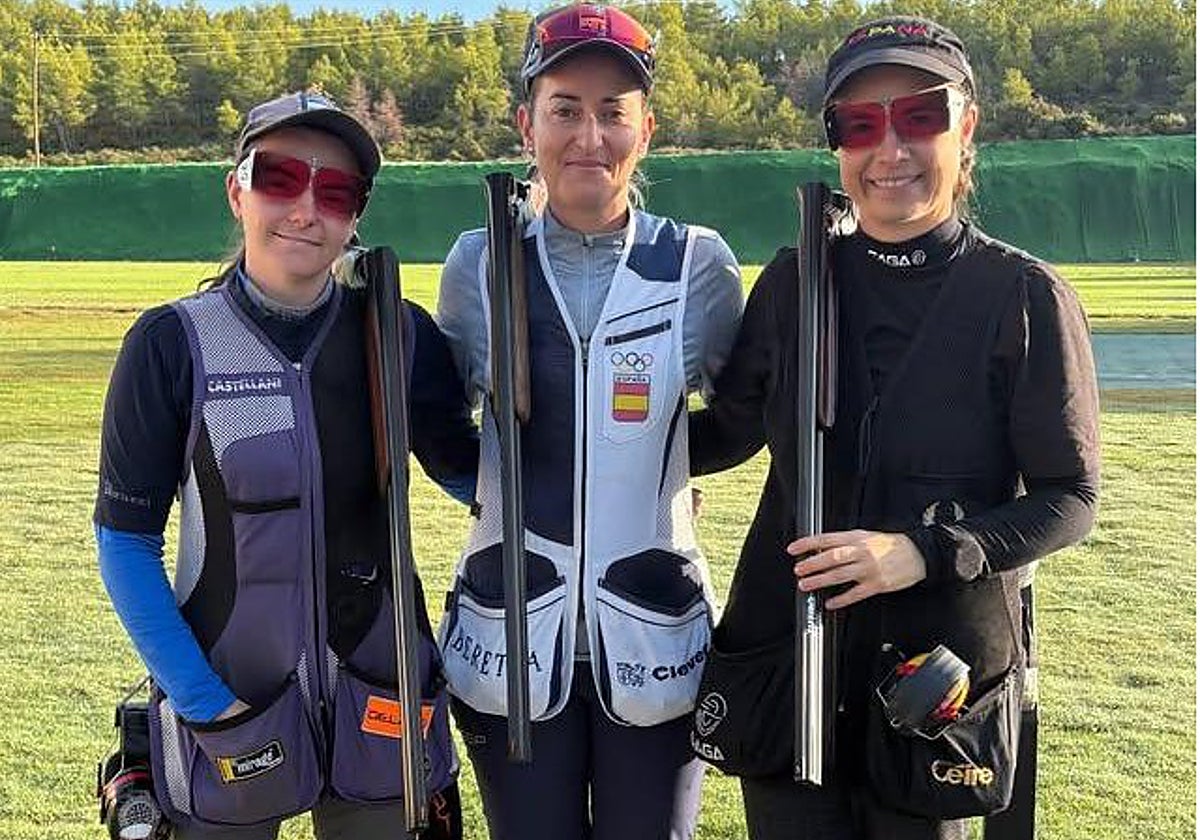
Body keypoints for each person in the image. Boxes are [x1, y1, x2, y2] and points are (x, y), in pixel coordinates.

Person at [688, 16, 1100, 840]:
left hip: (934, 683)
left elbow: (1070, 498)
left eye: (920, 116)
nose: (890, 150)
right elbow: (725, 432)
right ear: (837, 141)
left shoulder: (1022, 296)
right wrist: (587, 413)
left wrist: (919, 552)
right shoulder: (796, 280)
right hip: (787, 665)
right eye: (860, 124)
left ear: (966, 128)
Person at [94, 90, 477, 839]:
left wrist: (649, 490)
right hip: (228, 704)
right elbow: (124, 542)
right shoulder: (171, 343)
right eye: (279, 178)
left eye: (336, 191)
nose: (306, 209)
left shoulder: (399, 335)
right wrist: (203, 703)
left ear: (356, 215)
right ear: (236, 189)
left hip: (385, 687)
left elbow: (477, 481)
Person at [434, 4, 744, 838]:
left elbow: (742, 417)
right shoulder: (478, 260)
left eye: (613, 111)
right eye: (565, 107)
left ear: (646, 128)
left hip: (656, 640)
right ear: (525, 122)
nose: (588, 135)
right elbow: (442, 423)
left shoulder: (698, 263)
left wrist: (654, 468)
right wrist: (491, 488)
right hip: (510, 638)